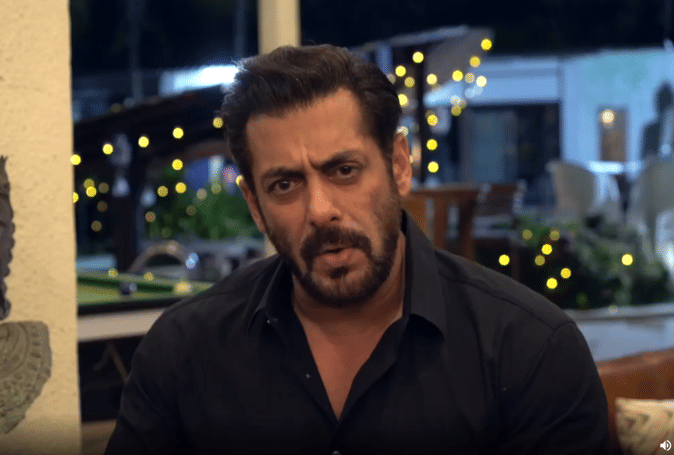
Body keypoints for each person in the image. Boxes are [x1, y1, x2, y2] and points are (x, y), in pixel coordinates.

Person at [105, 44, 609, 454]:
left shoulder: (530, 351)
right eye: (285, 185)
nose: (320, 210)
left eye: (344, 170)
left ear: (399, 165)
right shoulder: (183, 353)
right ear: (255, 206)